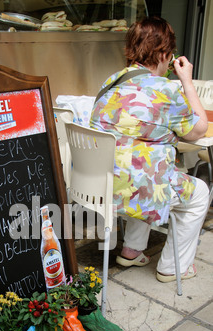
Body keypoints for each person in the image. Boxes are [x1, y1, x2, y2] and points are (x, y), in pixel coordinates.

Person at [90, 16, 209, 282]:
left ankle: (131, 250)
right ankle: (172, 267)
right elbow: (199, 129)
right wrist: (186, 81)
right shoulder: (167, 90)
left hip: (103, 184)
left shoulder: (111, 82)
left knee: (139, 166)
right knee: (199, 191)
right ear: (165, 53)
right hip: (137, 189)